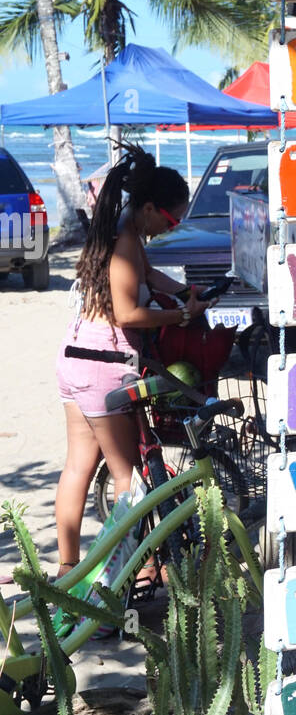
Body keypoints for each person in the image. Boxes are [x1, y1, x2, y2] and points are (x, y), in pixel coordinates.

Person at [54, 146, 211, 577]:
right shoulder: (125, 241)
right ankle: (124, 576)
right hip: (102, 365)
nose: (170, 228)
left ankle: (68, 569)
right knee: (128, 481)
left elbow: (148, 277)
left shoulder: (124, 230)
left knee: (79, 466)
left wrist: (183, 292)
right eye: (171, 219)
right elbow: (127, 313)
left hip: (75, 358)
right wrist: (179, 315)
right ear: (147, 208)